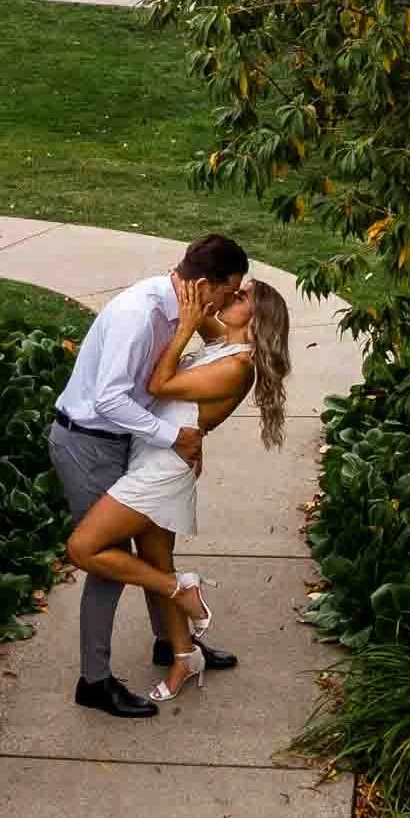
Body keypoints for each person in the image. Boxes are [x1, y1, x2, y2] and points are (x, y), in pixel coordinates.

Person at [48, 233, 249, 718]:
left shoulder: (180, 309)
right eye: (227, 292)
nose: (227, 303)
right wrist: (172, 436)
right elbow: (108, 400)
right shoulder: (139, 316)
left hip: (130, 443)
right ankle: (93, 681)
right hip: (88, 444)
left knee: (157, 547)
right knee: (108, 561)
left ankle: (172, 643)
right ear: (203, 284)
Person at [67, 274, 292, 703]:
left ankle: (181, 591)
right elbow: (200, 301)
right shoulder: (225, 344)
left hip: (161, 470)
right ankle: (183, 654)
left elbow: (158, 385)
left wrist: (186, 327)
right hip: (153, 454)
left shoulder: (235, 365)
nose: (233, 294)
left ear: (257, 317)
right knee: (156, 560)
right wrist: (195, 299)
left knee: (83, 548)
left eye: (242, 295)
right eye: (233, 287)